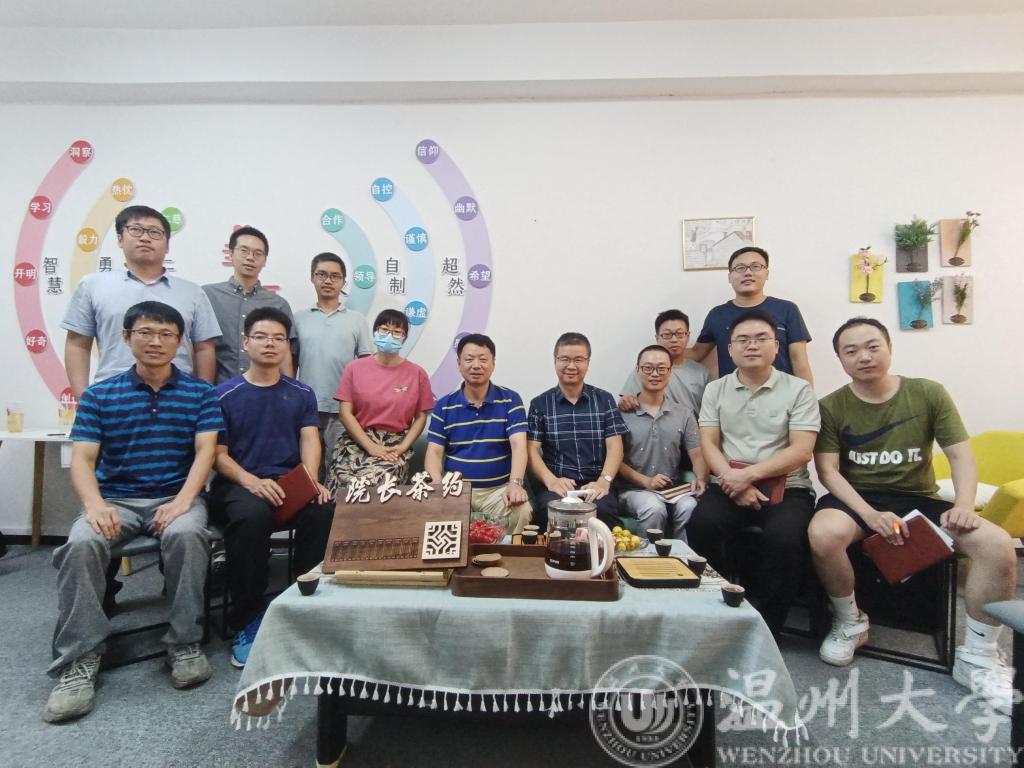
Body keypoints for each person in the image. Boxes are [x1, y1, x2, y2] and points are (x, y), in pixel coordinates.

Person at [808, 317, 1015, 712]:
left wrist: (964, 505)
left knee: (996, 544)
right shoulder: (831, 406)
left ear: (889, 348)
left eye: (872, 346)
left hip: (919, 497)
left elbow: (960, 455)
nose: (863, 357)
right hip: (859, 499)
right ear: (840, 359)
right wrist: (870, 514)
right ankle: (850, 622)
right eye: (851, 351)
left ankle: (979, 658)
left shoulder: (927, 393)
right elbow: (828, 472)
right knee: (824, 534)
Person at [44, 301, 222, 723]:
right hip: (116, 501)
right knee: (81, 543)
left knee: (186, 535)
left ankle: (184, 642)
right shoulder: (100, 395)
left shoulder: (200, 394)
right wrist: (95, 505)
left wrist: (182, 501)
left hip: (175, 496)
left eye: (166, 334)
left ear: (180, 342)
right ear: (126, 338)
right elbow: (84, 459)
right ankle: (79, 659)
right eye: (145, 332)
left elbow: (205, 453)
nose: (156, 341)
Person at [209, 307, 334, 669]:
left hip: (288, 482)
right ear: (245, 342)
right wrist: (252, 481)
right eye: (261, 337)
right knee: (252, 517)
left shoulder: (301, 392)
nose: (270, 344)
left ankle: (305, 604)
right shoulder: (222, 395)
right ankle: (247, 619)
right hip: (240, 484)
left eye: (279, 338)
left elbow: (310, 439)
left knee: (324, 508)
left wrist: (311, 481)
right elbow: (217, 455)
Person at [686, 310, 820, 635]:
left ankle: (768, 626)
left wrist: (748, 476)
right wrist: (732, 480)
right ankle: (715, 609)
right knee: (702, 524)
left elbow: (802, 450)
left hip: (788, 488)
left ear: (776, 346)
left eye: (761, 338)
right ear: (730, 349)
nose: (752, 345)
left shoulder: (799, 390)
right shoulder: (716, 389)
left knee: (784, 538)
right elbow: (709, 443)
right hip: (729, 484)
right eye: (743, 340)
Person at [62, 205, 221, 398]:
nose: (145, 238)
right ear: (120, 239)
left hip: (178, 399)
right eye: (136, 230)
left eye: (155, 233)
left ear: (167, 245)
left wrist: (202, 398)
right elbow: (77, 344)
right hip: (112, 397)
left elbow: (203, 348)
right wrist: (83, 399)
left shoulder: (192, 293)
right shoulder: (93, 286)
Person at [425, 334, 532, 535]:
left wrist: (515, 483)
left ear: (493, 363)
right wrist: (437, 487)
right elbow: (434, 452)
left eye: (483, 359)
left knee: (521, 511)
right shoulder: (444, 405)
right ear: (459, 364)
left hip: (497, 492)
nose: (476, 365)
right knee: (430, 512)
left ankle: (504, 554)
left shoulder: (510, 400)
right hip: (455, 490)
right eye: (469, 359)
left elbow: (519, 445)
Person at [527, 332, 628, 530]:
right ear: (555, 361)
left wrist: (604, 481)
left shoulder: (604, 400)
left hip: (595, 483)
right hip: (559, 483)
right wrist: (551, 481)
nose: (571, 366)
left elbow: (615, 446)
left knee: (603, 511)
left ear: (588, 362)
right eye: (564, 359)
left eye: (578, 360)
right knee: (547, 510)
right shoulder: (540, 404)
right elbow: (531, 450)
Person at [326, 309, 434, 493]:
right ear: (375, 332)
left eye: (397, 332)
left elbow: (421, 417)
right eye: (384, 329)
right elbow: (345, 413)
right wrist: (371, 447)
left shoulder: (417, 374)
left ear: (404, 338)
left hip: (394, 446)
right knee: (342, 483)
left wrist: (402, 447)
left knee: (378, 484)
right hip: (356, 441)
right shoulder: (354, 368)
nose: (389, 336)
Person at [616, 345, 708, 542]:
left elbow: (697, 453)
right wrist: (646, 481)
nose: (655, 374)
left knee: (690, 507)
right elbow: (615, 461)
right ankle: (648, 560)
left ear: (670, 371)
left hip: (673, 489)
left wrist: (701, 477)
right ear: (638, 370)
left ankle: (682, 559)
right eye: (648, 368)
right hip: (632, 490)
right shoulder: (621, 413)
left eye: (661, 368)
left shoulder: (684, 413)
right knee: (653, 507)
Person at [293, 253, 372, 478]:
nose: (328, 281)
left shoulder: (356, 320)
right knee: (308, 470)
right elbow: (291, 362)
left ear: (343, 281)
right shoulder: (298, 318)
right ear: (312, 277)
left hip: (343, 409)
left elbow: (366, 366)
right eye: (322, 275)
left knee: (339, 468)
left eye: (335, 276)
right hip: (306, 408)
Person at [688, 247, 814, 384]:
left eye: (755, 266)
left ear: (767, 273)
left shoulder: (787, 309)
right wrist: (669, 349)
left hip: (781, 393)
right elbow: (697, 353)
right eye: (740, 268)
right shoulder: (717, 315)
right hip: (733, 393)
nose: (748, 273)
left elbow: (799, 361)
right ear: (730, 277)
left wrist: (807, 395)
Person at [202, 225, 295, 384]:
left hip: (265, 392)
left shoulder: (278, 304)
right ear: (231, 254)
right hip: (219, 390)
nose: (250, 258)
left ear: (265, 260)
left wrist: (289, 390)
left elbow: (284, 353)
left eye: (258, 253)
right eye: (244, 251)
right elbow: (200, 347)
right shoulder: (207, 296)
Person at [620, 309, 710, 416]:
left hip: (694, 425)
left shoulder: (701, 373)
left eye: (679, 334)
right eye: (667, 334)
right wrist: (625, 401)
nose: (674, 339)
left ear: (688, 336)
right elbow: (625, 401)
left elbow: (710, 410)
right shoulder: (644, 370)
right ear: (657, 338)